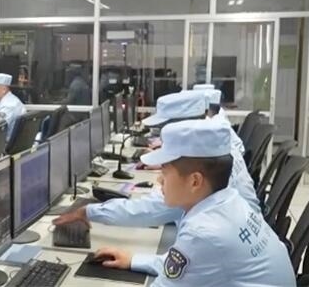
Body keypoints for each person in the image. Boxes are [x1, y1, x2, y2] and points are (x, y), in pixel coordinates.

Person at [88, 120, 295, 287]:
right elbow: (192, 264)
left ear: (195, 181)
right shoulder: (230, 201)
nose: (159, 180)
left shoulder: (203, 232)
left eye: (165, 172)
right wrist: (133, 260)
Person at [53, 91, 260, 229]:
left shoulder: (204, 168)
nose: (160, 134)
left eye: (164, 129)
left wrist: (89, 212)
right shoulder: (214, 148)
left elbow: (151, 210)